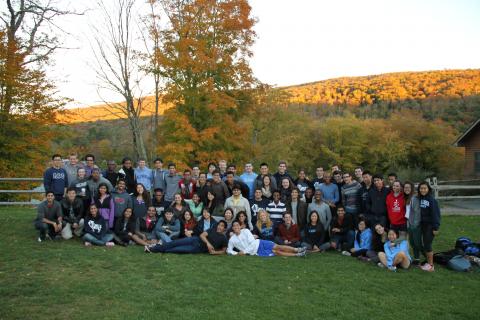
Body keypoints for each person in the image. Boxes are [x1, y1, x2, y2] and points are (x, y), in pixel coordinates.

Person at [146, 220, 228, 255]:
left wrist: (215, 253)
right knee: (174, 243)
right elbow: (202, 235)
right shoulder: (212, 229)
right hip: (195, 239)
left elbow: (223, 251)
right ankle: (152, 248)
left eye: (222, 226)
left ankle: (156, 248)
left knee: (175, 250)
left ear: (224, 229)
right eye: (219, 225)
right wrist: (209, 244)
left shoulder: (223, 238)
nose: (219, 227)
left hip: (197, 248)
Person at [227, 221, 306, 257]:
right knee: (276, 252)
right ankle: (297, 255)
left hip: (259, 243)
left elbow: (252, 242)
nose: (236, 227)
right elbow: (229, 250)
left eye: (237, 225)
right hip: (256, 252)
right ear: (232, 228)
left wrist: (244, 251)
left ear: (240, 226)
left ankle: (298, 249)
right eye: (234, 226)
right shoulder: (232, 239)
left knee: (278, 246)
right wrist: (236, 253)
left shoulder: (246, 231)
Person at [417, 181, 441, 272]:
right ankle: (428, 261)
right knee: (422, 243)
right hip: (421, 225)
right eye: (421, 188)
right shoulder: (419, 198)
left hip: (430, 225)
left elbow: (436, 214)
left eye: (425, 188)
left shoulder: (432, 200)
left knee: (427, 244)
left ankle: (431, 265)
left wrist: (436, 227)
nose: (423, 190)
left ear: (428, 189)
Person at [405, 181, 421, 265]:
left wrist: (415, 224)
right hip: (408, 222)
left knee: (417, 242)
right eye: (405, 187)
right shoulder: (407, 198)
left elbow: (417, 212)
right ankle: (416, 258)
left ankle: (428, 258)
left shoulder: (415, 198)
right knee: (412, 242)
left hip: (414, 223)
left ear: (411, 188)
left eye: (408, 187)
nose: (406, 189)